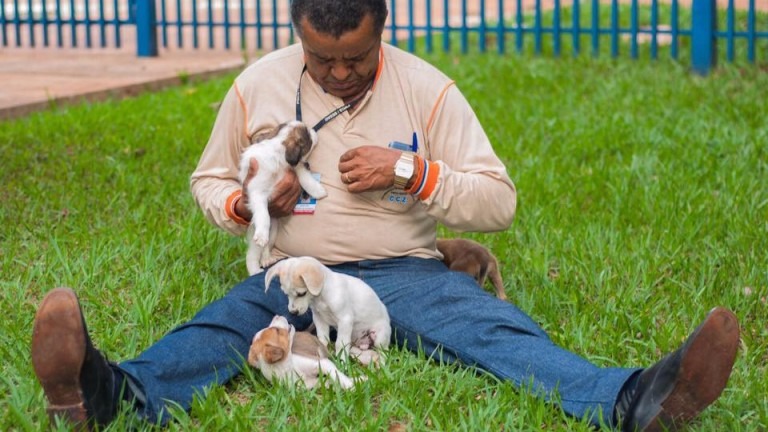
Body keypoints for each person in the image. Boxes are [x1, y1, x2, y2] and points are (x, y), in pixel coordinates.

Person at [30, 0, 740, 430]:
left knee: (492, 331)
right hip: (291, 273)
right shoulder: (256, 85)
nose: (338, 73)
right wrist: (244, 203)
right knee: (218, 327)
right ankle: (104, 393)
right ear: (296, 32)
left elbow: (499, 200)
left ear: (384, 29)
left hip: (405, 274)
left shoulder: (429, 89)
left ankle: (636, 400)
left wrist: (412, 171)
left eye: (356, 57)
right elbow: (207, 178)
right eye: (320, 57)